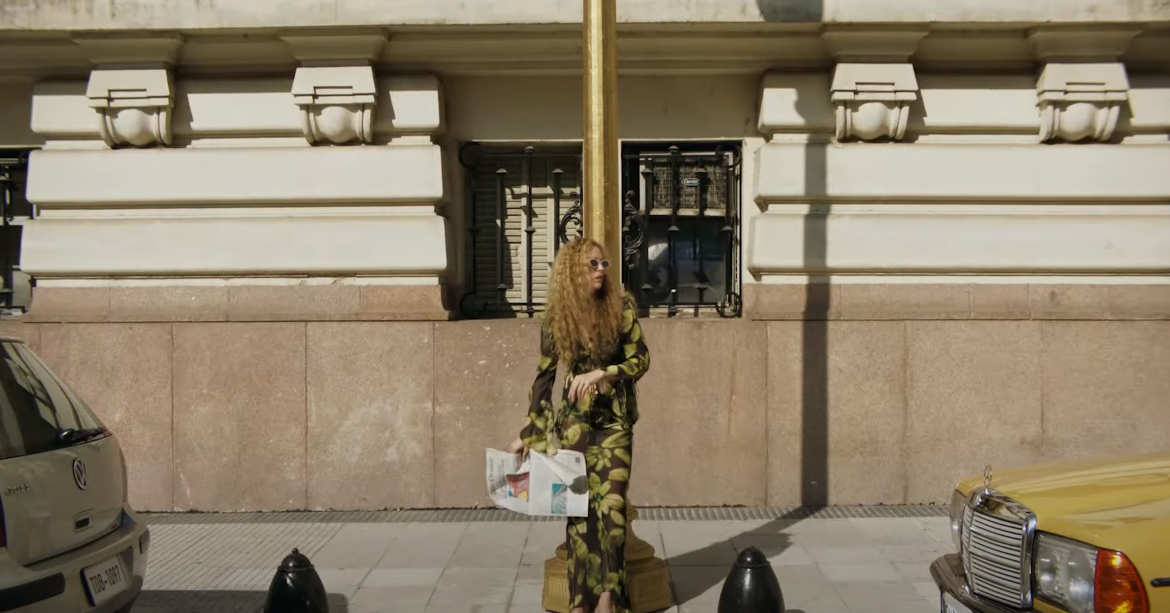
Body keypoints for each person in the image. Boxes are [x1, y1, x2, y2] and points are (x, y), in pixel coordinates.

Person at [509, 237, 650, 613]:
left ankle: (609, 599)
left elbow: (641, 360)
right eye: (593, 264)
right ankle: (580, 603)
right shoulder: (557, 319)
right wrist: (531, 433)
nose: (601, 270)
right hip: (574, 428)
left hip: (614, 424)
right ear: (574, 271)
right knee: (579, 514)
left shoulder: (620, 310)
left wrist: (605, 372)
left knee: (613, 510)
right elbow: (544, 378)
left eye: (604, 264)